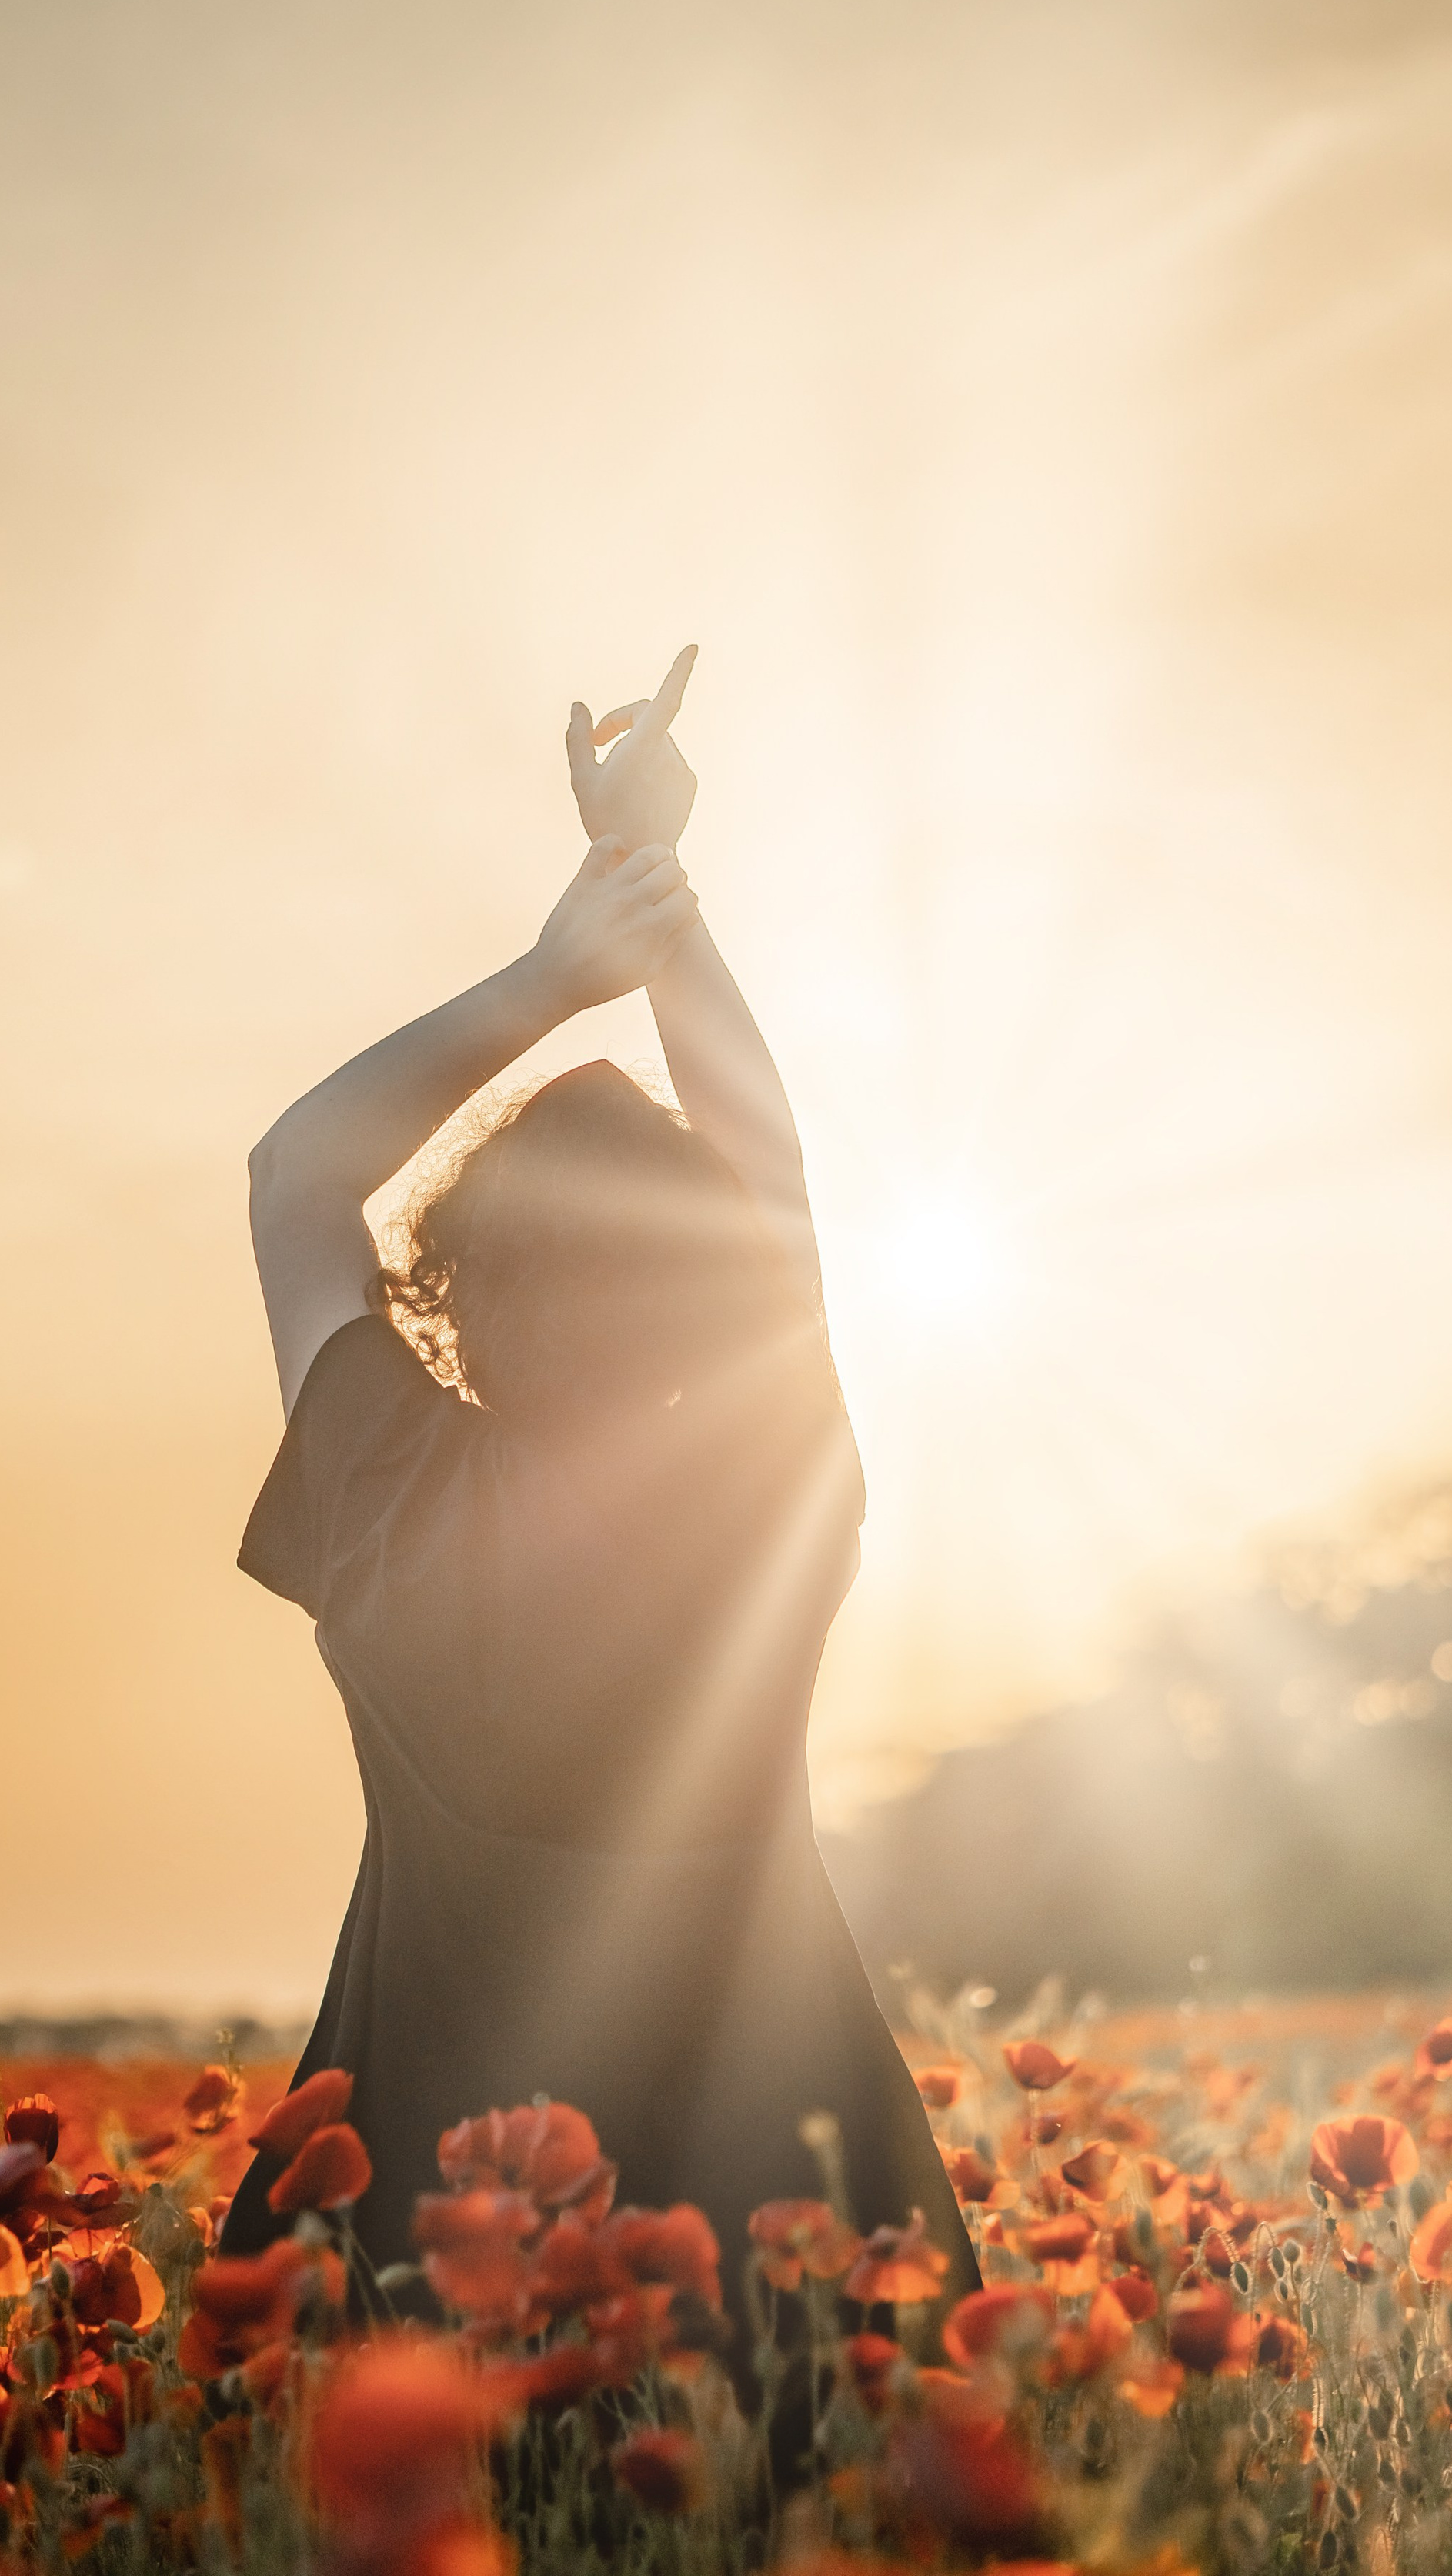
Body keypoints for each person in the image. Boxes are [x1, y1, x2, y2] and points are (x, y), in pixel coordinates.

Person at [219, 648, 980, 2317]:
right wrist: (659, 900)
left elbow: (295, 1177)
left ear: (454, 1289)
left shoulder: (385, 1473)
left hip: (416, 2173)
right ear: (707, 1295)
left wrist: (551, 973)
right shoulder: (755, 1484)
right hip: (779, 2176)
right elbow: (771, 1174)